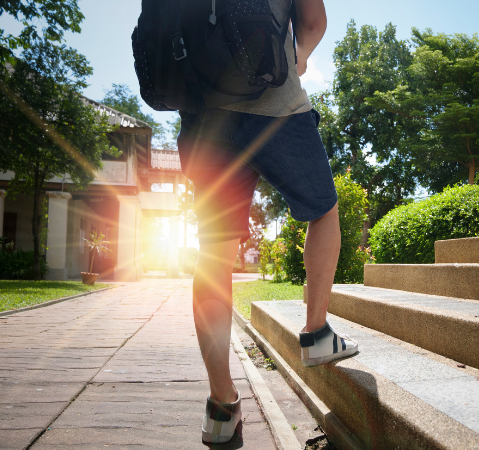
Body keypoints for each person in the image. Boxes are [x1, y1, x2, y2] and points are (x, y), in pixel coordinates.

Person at [175, 0, 357, 443]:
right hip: (277, 105)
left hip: (206, 117)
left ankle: (221, 407)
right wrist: (298, 55)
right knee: (323, 211)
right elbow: (312, 21)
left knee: (214, 252)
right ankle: (316, 333)